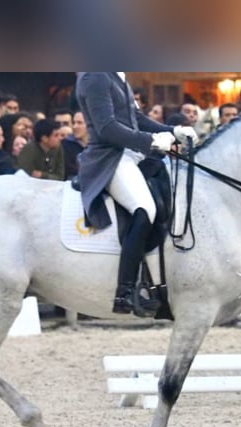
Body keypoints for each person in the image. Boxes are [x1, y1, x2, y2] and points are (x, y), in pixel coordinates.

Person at [75, 72, 198, 316]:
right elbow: (106, 128)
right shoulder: (95, 76)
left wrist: (174, 131)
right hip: (109, 157)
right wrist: (150, 140)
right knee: (144, 209)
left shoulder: (115, 74)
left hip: (131, 155)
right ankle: (125, 291)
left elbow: (137, 119)